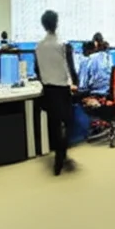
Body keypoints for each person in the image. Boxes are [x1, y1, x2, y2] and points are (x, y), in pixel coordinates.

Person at [34, 10, 80, 176]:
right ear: (56, 23)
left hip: (48, 91)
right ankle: (61, 156)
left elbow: (36, 70)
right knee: (68, 123)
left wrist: (46, 79)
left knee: (53, 125)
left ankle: (58, 157)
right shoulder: (64, 45)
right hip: (62, 90)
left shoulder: (38, 47)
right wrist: (76, 84)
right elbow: (72, 68)